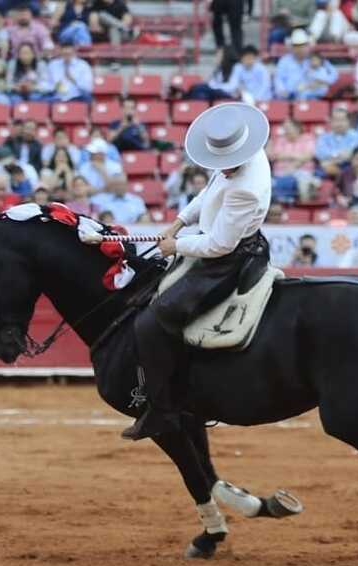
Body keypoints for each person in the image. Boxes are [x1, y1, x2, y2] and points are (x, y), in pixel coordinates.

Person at [123, 103, 273, 441]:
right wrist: (178, 223)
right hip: (226, 244)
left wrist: (175, 245)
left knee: (153, 320)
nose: (224, 167)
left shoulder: (245, 188)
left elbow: (220, 244)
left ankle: (162, 409)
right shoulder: (242, 156)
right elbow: (210, 192)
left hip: (228, 260)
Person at [274, 30, 338, 100]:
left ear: (308, 46)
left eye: (302, 45)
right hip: (290, 98)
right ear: (292, 47)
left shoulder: (316, 58)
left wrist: (321, 81)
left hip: (314, 97)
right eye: (296, 46)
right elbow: (279, 80)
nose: (300, 49)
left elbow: (333, 75)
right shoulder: (285, 61)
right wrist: (282, 91)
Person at [316, 108, 358, 178]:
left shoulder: (356, 136)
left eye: (342, 120)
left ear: (348, 121)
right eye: (336, 120)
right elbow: (321, 154)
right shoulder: (323, 138)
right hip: (327, 170)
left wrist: (331, 159)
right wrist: (338, 155)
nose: (339, 123)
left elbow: (350, 154)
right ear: (330, 122)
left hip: (349, 167)